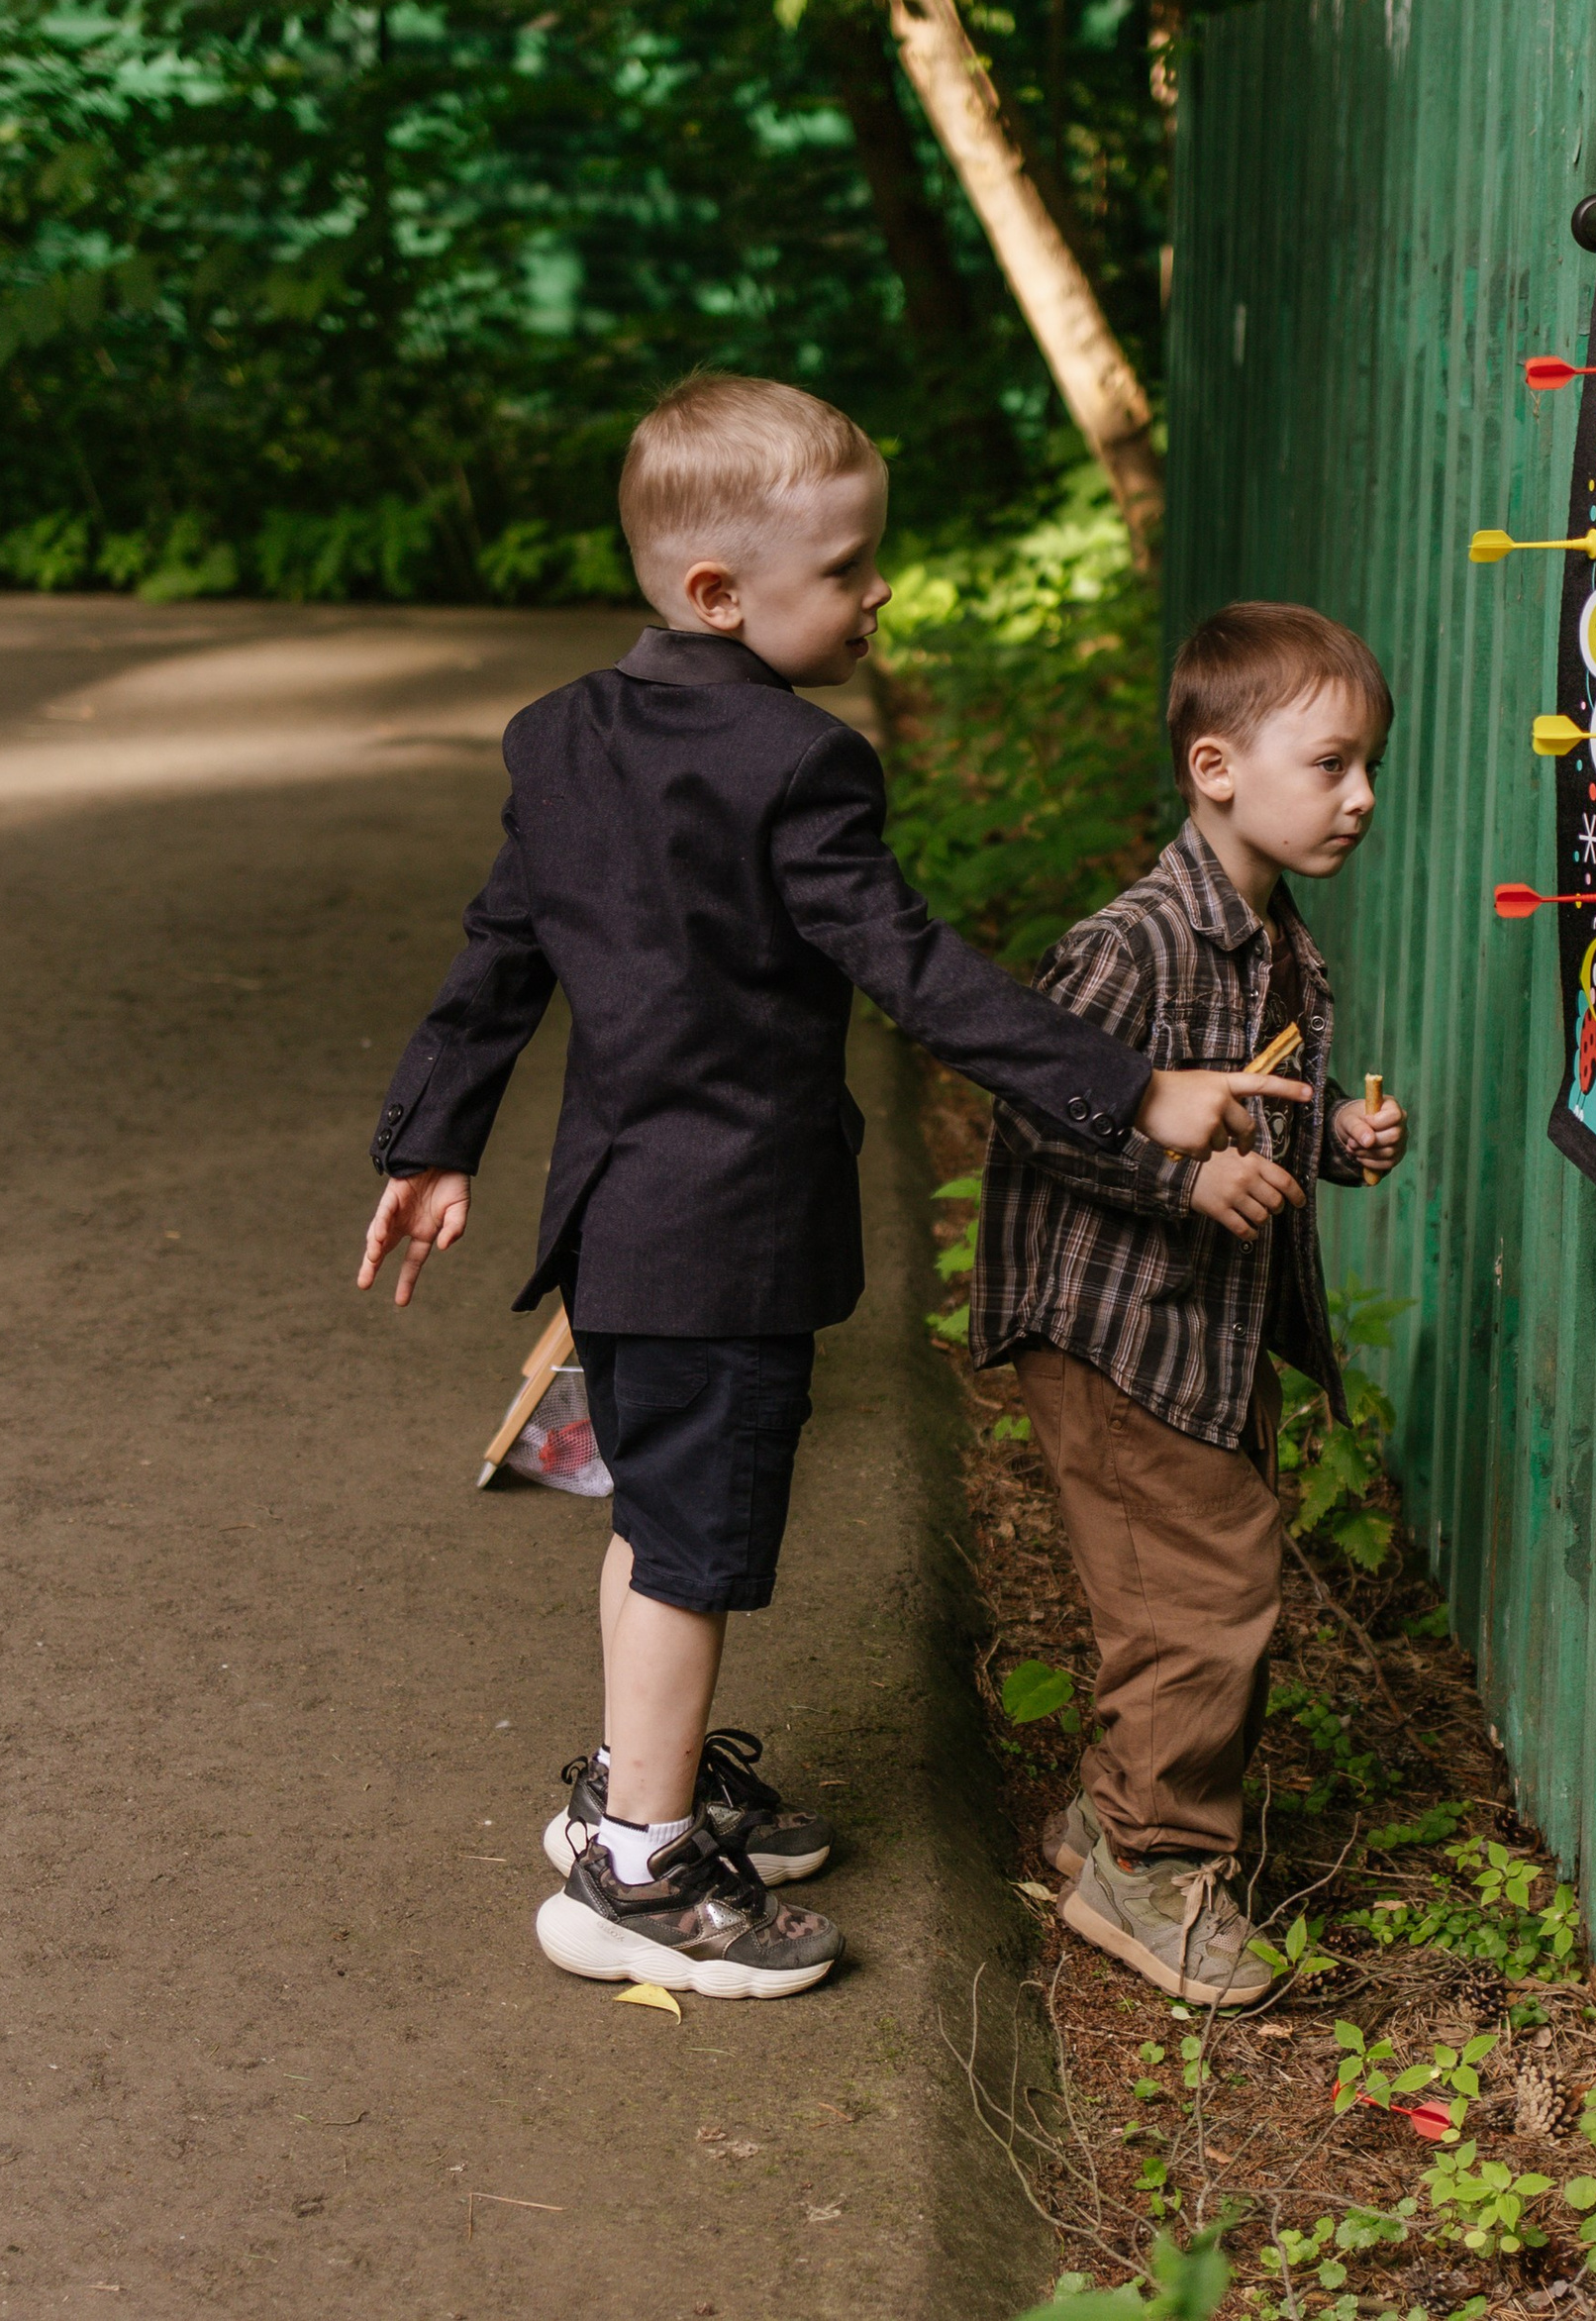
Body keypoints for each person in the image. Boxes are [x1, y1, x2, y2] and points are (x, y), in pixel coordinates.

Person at [355, 374, 1305, 2000]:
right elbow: (916, 974)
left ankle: (630, 1783)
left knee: (662, 1520)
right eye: (852, 567)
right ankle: (641, 1868)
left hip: (621, 1219)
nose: (880, 594)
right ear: (721, 594)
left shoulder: (562, 736)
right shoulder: (801, 764)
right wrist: (1141, 1091)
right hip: (724, 1238)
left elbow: (502, 951)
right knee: (694, 1547)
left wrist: (430, 1141)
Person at [971, 600, 1407, 2007]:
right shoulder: (1137, 942)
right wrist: (1187, 1183)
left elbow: (1252, 1092)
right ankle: (1150, 1865)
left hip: (1197, 1335)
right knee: (1202, 1588)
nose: (1362, 796)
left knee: (1203, 1569)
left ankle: (1107, 1823)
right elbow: (1040, 1112)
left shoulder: (1281, 941)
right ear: (1217, 768)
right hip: (1117, 1327)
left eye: (1368, 767)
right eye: (1332, 764)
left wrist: (1330, 1135)